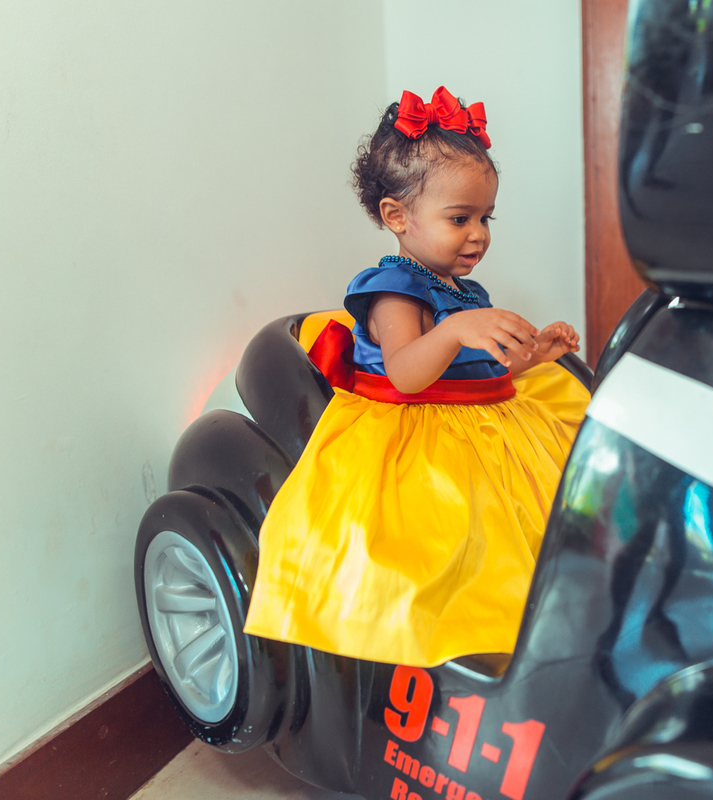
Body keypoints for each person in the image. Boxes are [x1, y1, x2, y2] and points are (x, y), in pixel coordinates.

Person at [243, 87, 590, 667]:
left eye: (485, 217)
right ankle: (455, 653)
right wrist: (458, 330)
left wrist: (535, 354)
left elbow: (484, 368)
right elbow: (407, 373)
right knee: (454, 543)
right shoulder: (394, 290)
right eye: (460, 218)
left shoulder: (465, 291)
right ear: (397, 217)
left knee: (549, 518)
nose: (478, 233)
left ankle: (546, 636)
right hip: (420, 431)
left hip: (485, 419)